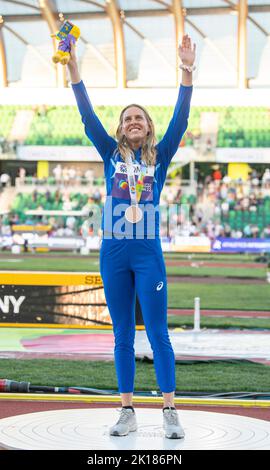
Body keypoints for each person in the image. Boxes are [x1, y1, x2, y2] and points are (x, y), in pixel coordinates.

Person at [67, 35, 195, 439]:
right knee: (122, 333)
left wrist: (187, 71)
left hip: (147, 252)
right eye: (127, 119)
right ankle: (127, 411)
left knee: (158, 332)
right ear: (121, 129)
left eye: (139, 118)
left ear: (148, 127)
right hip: (113, 250)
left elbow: (182, 119)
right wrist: (72, 66)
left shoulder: (162, 154)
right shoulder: (109, 154)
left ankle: (170, 410)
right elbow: (87, 116)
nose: (133, 122)